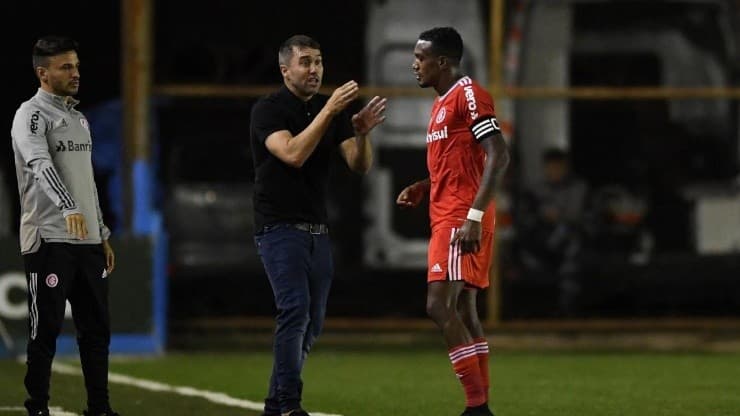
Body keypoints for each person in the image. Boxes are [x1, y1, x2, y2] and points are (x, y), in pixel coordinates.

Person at [249, 34, 386, 416]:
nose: (315, 70)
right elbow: (292, 153)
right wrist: (329, 114)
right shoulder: (269, 109)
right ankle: (290, 404)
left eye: (319, 62)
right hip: (278, 228)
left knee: (313, 322)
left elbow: (359, 165)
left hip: (317, 231)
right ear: (285, 69)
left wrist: (360, 133)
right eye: (306, 62)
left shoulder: (330, 110)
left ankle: (276, 403)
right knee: (294, 310)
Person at [397, 27, 510, 416]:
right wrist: (426, 185)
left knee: (438, 305)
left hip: (461, 218)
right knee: (463, 310)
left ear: (442, 61)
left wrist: (474, 217)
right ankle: (480, 407)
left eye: (419, 58)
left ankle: (476, 408)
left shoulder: (468, 94)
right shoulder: (442, 103)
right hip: (452, 212)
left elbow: (498, 154)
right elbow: (463, 163)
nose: (414, 65)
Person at [10, 35, 118, 416]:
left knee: (96, 332)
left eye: (76, 65)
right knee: (46, 331)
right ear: (43, 73)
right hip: (49, 238)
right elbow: (40, 164)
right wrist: (68, 206)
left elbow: (86, 180)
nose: (75, 73)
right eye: (65, 67)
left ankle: (99, 408)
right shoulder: (30, 115)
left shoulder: (78, 118)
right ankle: (36, 406)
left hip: (86, 241)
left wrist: (101, 233)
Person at [516, 148, 588, 315]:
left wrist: (559, 216)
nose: (556, 171)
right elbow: (526, 217)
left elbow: (579, 216)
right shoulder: (535, 190)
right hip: (541, 240)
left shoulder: (578, 188)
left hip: (569, 240)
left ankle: (567, 309)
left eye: (559, 167)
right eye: (552, 167)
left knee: (570, 240)